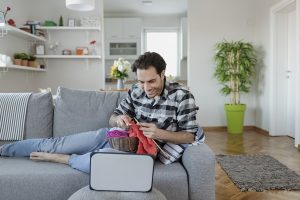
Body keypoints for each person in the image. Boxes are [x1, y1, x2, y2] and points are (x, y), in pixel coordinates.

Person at [0, 52, 204, 173]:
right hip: (112, 136)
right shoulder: (135, 90)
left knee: (101, 163)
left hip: (139, 152)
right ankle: (4, 150)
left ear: (163, 75)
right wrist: (120, 120)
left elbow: (190, 135)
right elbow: (113, 117)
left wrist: (160, 134)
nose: (146, 87)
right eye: (141, 81)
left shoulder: (182, 96)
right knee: (52, 143)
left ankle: (64, 159)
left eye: (151, 81)